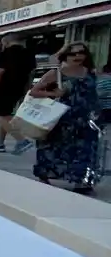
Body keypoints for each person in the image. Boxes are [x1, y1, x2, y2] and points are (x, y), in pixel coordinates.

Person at [30, 42, 100, 194]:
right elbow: (34, 92)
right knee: (54, 147)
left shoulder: (90, 72)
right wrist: (54, 94)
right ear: (65, 56)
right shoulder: (56, 73)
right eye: (72, 53)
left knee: (86, 148)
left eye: (81, 52)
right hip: (61, 117)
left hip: (85, 117)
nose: (77, 56)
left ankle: (82, 181)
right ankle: (45, 175)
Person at [0, 33, 36, 153]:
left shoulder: (6, 53)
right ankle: (0, 143)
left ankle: (21, 140)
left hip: (3, 87)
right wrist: (26, 89)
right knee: (6, 114)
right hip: (19, 88)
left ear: (6, 42)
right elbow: (31, 74)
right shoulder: (29, 54)